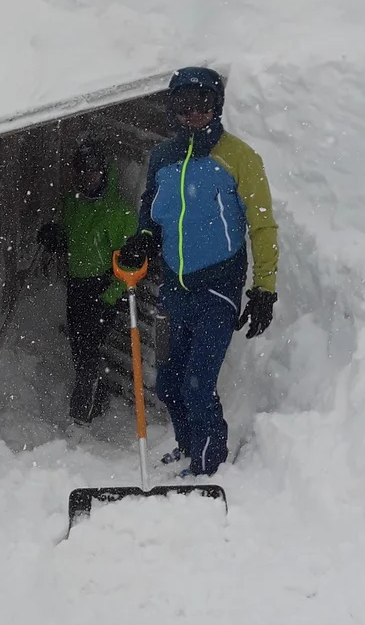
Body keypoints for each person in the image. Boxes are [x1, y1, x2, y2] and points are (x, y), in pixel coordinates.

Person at [118, 66, 279, 477]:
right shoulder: (162, 159)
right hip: (175, 287)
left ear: (216, 107)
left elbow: (262, 225)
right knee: (168, 385)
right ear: (172, 110)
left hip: (218, 286)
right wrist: (143, 239)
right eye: (184, 105)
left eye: (202, 104)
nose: (193, 114)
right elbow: (152, 214)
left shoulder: (239, 158)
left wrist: (264, 289)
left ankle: (210, 466)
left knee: (197, 383)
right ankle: (190, 448)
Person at [38, 137, 138, 424]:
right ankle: (95, 394)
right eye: (80, 170)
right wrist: (55, 236)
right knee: (79, 348)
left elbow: (128, 264)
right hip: (77, 284)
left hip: (102, 288)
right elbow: (72, 235)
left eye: (92, 170)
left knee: (88, 353)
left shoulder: (118, 212)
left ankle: (82, 413)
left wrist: (107, 298)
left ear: (103, 171)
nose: (86, 177)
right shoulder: (73, 201)